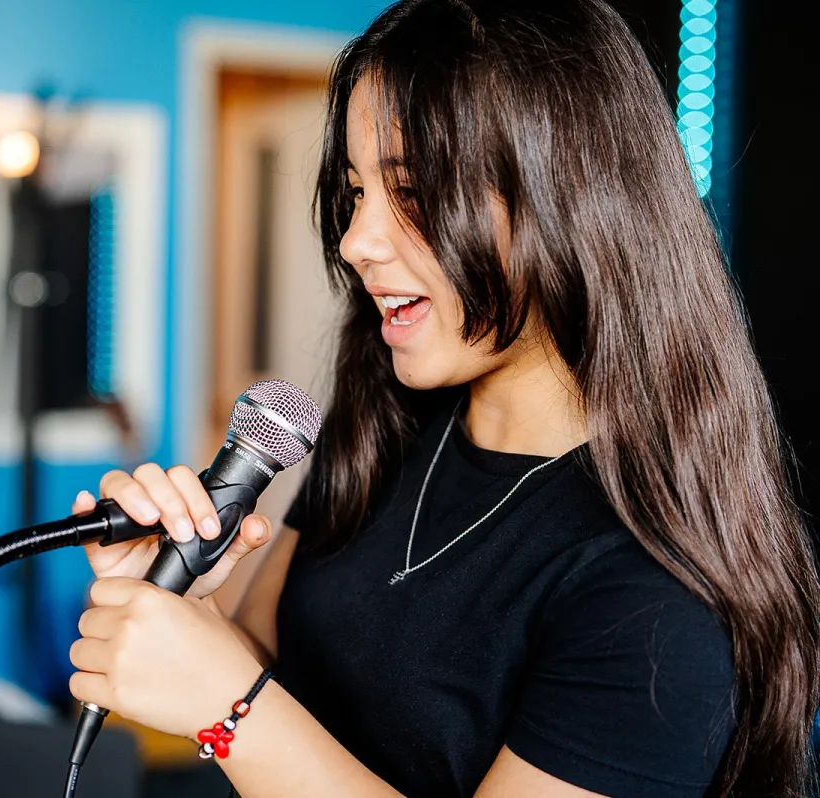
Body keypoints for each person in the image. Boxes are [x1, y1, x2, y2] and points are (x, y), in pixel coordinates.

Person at [65, 1, 820, 795]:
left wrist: (231, 708)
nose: (357, 240)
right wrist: (178, 606)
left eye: (415, 192)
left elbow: (252, 712)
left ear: (571, 198)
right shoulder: (383, 430)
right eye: (356, 192)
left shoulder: (658, 592)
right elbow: (270, 669)